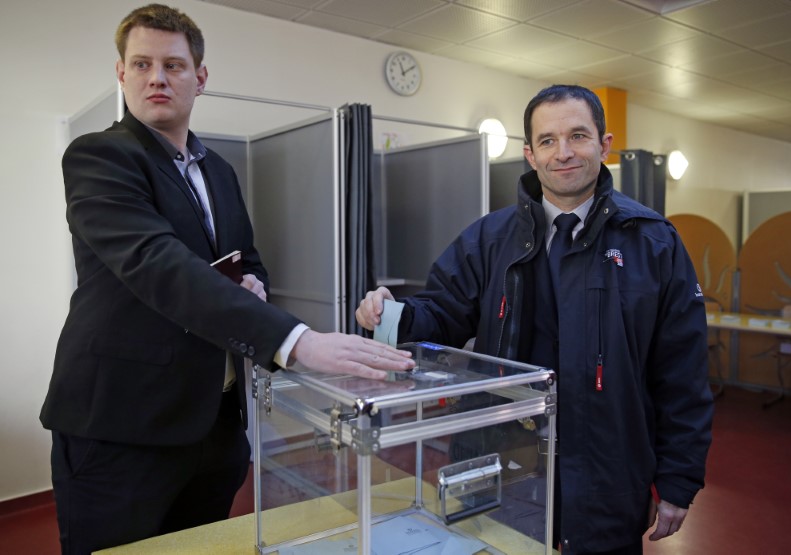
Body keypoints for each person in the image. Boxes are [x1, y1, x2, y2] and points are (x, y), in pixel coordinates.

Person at [39, 5, 414, 554]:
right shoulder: (101, 157)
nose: (157, 77)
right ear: (121, 74)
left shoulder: (219, 171)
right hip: (121, 427)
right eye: (141, 64)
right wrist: (297, 341)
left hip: (214, 427)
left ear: (200, 77)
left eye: (173, 65)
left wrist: (254, 287)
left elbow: (250, 261)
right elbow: (156, 263)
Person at [356, 84, 713, 554]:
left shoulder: (653, 243)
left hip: (609, 473)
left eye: (578, 136)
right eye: (547, 140)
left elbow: (682, 374)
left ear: (604, 146)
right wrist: (391, 314)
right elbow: (441, 312)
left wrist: (678, 479)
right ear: (529, 154)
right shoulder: (488, 239)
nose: (562, 153)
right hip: (503, 465)